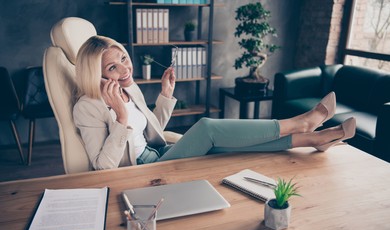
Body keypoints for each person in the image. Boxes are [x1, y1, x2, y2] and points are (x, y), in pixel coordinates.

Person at [73, 35, 356, 170]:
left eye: (123, 58)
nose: (125, 70)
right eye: (113, 68)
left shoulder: (128, 87)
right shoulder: (88, 107)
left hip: (160, 154)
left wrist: (166, 95)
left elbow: (153, 131)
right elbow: (103, 167)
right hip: (140, 171)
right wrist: (121, 119)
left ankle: (312, 139)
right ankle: (300, 123)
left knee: (226, 144)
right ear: (95, 75)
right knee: (207, 126)